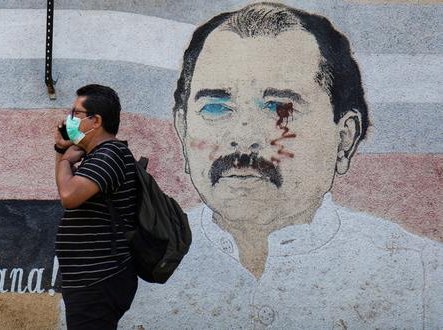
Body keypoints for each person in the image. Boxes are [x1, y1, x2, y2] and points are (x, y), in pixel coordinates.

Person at [119, 3, 443, 329]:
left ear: (345, 139)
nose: (242, 136)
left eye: (280, 108)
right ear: (183, 128)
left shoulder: (424, 275)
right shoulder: (112, 267)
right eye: (215, 107)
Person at [54, 84, 138, 330]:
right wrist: (62, 150)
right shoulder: (97, 156)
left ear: (96, 120)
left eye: (76, 113)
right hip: (89, 278)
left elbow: (68, 196)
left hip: (99, 278)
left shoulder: (109, 154)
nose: (69, 119)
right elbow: (66, 188)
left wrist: (67, 159)